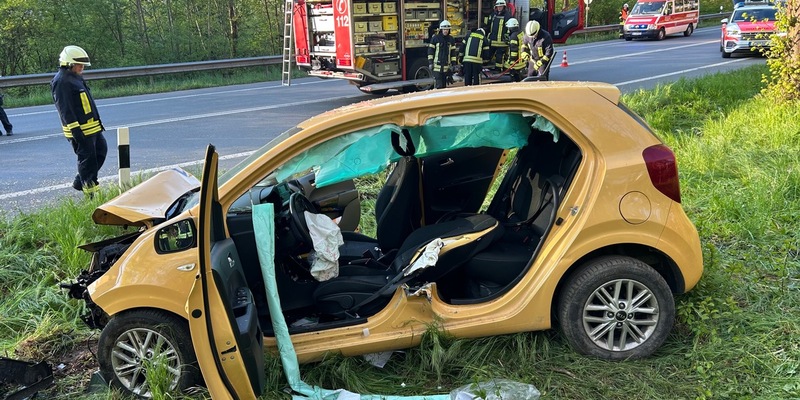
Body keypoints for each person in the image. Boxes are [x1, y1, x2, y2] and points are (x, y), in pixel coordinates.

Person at [51, 45, 107, 197]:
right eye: (79, 65)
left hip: (92, 127)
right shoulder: (62, 81)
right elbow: (65, 109)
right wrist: (76, 131)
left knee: (101, 152)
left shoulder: (74, 77)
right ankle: (90, 192)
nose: (82, 67)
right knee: (88, 160)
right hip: (81, 130)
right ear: (69, 64)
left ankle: (80, 180)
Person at [428, 20, 457, 89]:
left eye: (447, 29)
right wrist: (430, 63)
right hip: (437, 67)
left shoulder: (451, 39)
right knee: (439, 86)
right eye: (444, 29)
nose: (445, 31)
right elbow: (430, 51)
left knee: (444, 87)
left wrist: (453, 64)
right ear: (441, 29)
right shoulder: (435, 38)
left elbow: (453, 53)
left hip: (446, 68)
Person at [486, 0, 513, 71]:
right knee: (488, 55)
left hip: (502, 42)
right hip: (492, 40)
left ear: (504, 7)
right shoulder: (493, 15)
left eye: (501, 6)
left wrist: (507, 37)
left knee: (499, 57)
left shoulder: (507, 16)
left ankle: (499, 69)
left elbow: (510, 28)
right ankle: (486, 67)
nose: (499, 8)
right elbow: (488, 26)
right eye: (498, 6)